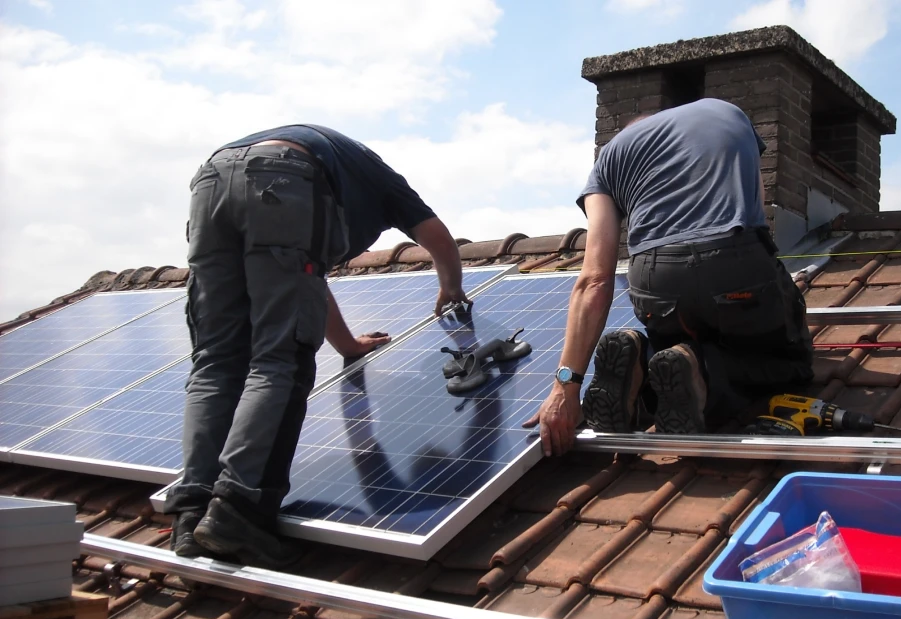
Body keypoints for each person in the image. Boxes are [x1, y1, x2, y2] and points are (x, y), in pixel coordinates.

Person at [164, 124, 470, 567]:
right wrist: (451, 288)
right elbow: (439, 239)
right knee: (279, 362)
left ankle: (192, 516)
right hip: (283, 177)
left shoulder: (342, 170)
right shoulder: (383, 183)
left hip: (212, 180)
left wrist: (346, 344)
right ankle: (239, 511)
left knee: (215, 362)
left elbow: (304, 281)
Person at [524, 98, 814, 457]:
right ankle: (702, 373)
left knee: (672, 342)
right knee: (790, 361)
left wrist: (565, 386)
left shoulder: (608, 159)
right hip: (734, 259)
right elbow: (757, 214)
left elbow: (595, 278)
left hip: (655, 279)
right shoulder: (727, 111)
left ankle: (642, 361)